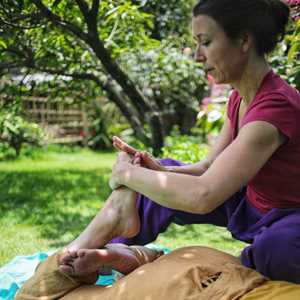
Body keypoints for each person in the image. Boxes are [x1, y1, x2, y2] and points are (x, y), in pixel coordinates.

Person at [48, 0, 300, 285]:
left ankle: (143, 257)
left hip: (290, 218)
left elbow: (204, 195)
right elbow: (209, 166)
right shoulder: (239, 97)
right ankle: (95, 250)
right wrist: (156, 173)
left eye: (205, 42)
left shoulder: (276, 107)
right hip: (252, 206)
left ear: (244, 40)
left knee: (277, 250)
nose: (196, 56)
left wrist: (127, 174)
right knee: (160, 175)